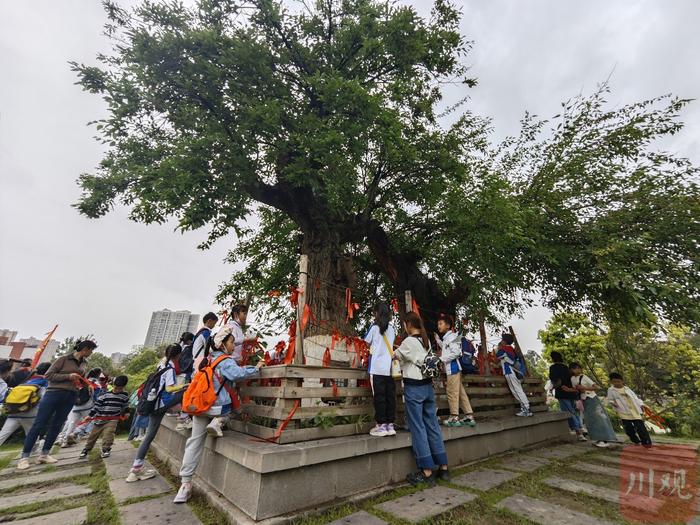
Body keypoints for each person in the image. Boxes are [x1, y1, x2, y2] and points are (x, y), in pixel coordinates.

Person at [173, 325, 263, 503]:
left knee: (194, 442)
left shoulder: (207, 360)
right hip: (217, 408)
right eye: (231, 342)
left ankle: (185, 484)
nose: (233, 345)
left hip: (200, 407)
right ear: (222, 344)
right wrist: (256, 367)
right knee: (235, 409)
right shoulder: (225, 360)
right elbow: (238, 374)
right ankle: (218, 422)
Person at [17, 339, 96, 470]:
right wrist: (68, 377)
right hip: (54, 393)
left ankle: (45, 453)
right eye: (91, 350)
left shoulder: (84, 363)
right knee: (39, 424)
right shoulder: (64, 359)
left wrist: (83, 384)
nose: (91, 352)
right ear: (85, 349)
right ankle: (24, 457)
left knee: (57, 424)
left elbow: (80, 377)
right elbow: (48, 375)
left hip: (71, 395)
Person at [394, 312, 450, 487]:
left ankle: (426, 471)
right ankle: (443, 467)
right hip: (428, 388)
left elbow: (395, 355)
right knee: (432, 425)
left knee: (417, 427)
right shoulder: (426, 342)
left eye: (404, 324)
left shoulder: (409, 342)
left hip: (414, 388)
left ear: (409, 324)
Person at [125, 344, 188, 482]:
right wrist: (184, 386)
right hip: (161, 404)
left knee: (149, 436)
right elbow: (170, 388)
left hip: (153, 403)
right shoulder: (170, 369)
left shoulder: (161, 364)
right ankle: (183, 418)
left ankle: (136, 468)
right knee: (188, 391)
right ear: (178, 355)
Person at [435, 314, 476, 427]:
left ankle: (454, 417)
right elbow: (446, 347)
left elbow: (456, 352)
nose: (439, 326)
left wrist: (441, 359)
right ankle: (469, 416)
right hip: (454, 368)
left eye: (441, 323)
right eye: (438, 324)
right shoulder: (449, 337)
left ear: (448, 325)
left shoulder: (451, 337)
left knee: (451, 392)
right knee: (461, 393)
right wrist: (438, 341)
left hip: (452, 368)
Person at [364, 303, 397, 437]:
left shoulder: (374, 328)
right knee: (390, 396)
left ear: (376, 313)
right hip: (389, 368)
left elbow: (366, 341)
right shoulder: (392, 329)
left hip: (377, 368)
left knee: (379, 396)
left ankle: (381, 425)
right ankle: (390, 425)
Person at [0, 362, 51, 447]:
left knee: (3, 434)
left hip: (14, 411)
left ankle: (31, 452)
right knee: (32, 435)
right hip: (29, 413)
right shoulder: (44, 382)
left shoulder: (26, 381)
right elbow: (44, 398)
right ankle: (31, 454)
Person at [80, 375, 129, 458]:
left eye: (119, 389)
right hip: (100, 418)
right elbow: (97, 406)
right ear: (113, 385)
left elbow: (125, 406)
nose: (117, 390)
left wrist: (127, 413)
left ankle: (106, 449)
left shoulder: (124, 396)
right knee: (93, 436)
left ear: (123, 387)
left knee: (109, 434)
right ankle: (86, 449)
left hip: (112, 419)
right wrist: (90, 415)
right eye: (116, 387)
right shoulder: (105, 395)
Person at [569, 363, 617, 448]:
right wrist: (569, 389)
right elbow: (576, 389)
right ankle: (597, 439)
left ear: (580, 369)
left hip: (592, 398)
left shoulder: (584, 377)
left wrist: (584, 388)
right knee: (590, 420)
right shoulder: (572, 379)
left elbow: (596, 387)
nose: (575, 370)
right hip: (584, 400)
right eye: (573, 369)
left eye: (577, 368)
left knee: (599, 418)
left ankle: (604, 439)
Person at [58, 367, 102, 447]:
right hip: (87, 406)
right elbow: (96, 395)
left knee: (71, 422)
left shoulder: (76, 382)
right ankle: (75, 433)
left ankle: (64, 440)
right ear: (98, 375)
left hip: (75, 406)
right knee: (88, 421)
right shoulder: (94, 382)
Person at [606, 372, 652, 447]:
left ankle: (646, 442)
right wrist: (613, 403)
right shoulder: (611, 390)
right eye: (614, 382)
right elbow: (610, 399)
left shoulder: (627, 389)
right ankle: (635, 440)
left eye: (618, 381)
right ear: (611, 382)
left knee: (640, 427)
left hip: (634, 410)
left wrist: (642, 404)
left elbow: (635, 398)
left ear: (622, 381)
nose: (617, 383)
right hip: (623, 411)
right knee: (629, 429)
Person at [548, 351, 585, 441]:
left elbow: (554, 379)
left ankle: (579, 432)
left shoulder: (553, 367)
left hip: (562, 392)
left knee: (569, 413)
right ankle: (581, 428)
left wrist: (552, 387)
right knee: (574, 412)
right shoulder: (566, 367)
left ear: (553, 358)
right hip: (572, 393)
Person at [497, 336, 532, 417]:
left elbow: (498, 355)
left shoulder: (505, 348)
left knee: (516, 390)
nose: (501, 341)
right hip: (515, 372)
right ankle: (525, 408)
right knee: (518, 390)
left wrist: (500, 350)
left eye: (502, 340)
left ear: (504, 341)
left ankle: (526, 408)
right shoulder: (511, 349)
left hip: (509, 371)